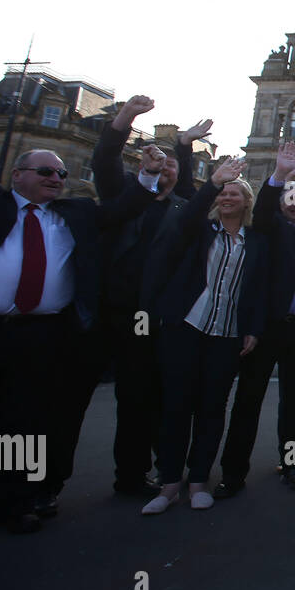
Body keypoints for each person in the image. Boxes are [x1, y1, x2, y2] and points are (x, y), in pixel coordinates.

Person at [0, 93, 160, 532]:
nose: (57, 178)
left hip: (39, 335)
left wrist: (150, 175)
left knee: (19, 425)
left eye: (61, 173)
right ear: (18, 174)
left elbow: (123, 207)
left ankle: (11, 503)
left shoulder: (74, 212)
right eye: (46, 172)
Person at [87, 97, 201, 504]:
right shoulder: (122, 195)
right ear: (143, 169)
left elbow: (193, 189)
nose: (164, 170)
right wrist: (125, 120)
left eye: (171, 167)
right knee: (64, 402)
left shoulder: (181, 207)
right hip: (105, 310)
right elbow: (103, 161)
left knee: (143, 398)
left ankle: (138, 474)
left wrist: (184, 149)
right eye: (158, 165)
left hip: (151, 316)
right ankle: (43, 488)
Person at [144, 158, 268, 514]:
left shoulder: (254, 241)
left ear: (247, 202)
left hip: (226, 333)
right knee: (176, 407)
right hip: (186, 326)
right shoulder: (198, 230)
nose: (227, 198)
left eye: (234, 193)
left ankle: (198, 479)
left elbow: (257, 289)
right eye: (222, 194)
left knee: (213, 409)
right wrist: (213, 182)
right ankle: (168, 483)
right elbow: (187, 214)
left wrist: (253, 330)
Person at [215, 141, 295, 495]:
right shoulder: (270, 231)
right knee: (247, 402)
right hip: (266, 329)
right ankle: (233, 473)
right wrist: (281, 175)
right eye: (289, 198)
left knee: (294, 405)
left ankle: (292, 465)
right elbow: (264, 208)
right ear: (282, 204)